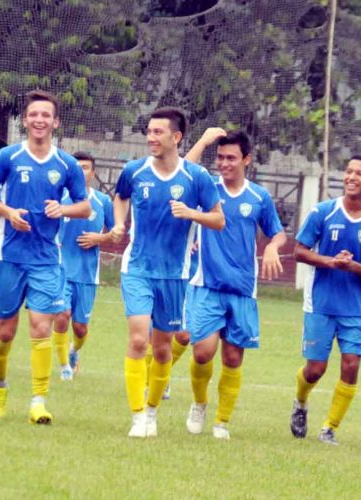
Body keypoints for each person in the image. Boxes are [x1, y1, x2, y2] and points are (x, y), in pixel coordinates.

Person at [0, 90, 90, 424]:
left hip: (46, 259)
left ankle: (38, 401)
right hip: (8, 255)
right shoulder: (7, 158)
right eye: (33, 114)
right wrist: (8, 211)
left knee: (40, 326)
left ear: (56, 122)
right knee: (6, 332)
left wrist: (62, 208)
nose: (39, 120)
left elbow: (84, 206)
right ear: (25, 120)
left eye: (46, 115)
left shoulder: (67, 164)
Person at [112, 107, 225, 438]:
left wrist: (192, 213)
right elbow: (120, 198)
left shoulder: (197, 178)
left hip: (175, 274)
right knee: (137, 338)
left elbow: (218, 219)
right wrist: (119, 222)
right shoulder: (135, 171)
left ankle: (151, 411)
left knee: (162, 348)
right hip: (137, 268)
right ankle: (136, 418)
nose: (150, 137)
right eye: (148, 131)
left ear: (176, 137)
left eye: (158, 132)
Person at [182, 129, 286, 439]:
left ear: (247, 160)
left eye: (231, 158)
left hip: (242, 288)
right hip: (207, 284)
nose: (224, 163)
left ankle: (221, 423)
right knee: (202, 352)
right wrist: (203, 141)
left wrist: (271, 247)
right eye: (221, 157)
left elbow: (277, 232)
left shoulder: (258, 197)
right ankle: (199, 403)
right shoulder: (206, 189)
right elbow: (183, 171)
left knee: (232, 357)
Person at [289, 155, 361, 446]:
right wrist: (330, 262)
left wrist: (354, 266)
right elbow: (299, 251)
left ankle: (329, 428)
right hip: (320, 303)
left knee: (351, 365)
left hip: (355, 308)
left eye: (359, 173)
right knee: (315, 369)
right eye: (348, 171)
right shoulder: (323, 212)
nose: (351, 177)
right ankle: (300, 402)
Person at [51, 151, 114, 380]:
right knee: (61, 315)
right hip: (60, 270)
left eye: (85, 167)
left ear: (93, 173)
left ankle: (74, 352)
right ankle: (64, 366)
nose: (81, 171)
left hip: (87, 274)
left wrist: (100, 238)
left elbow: (116, 233)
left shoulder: (103, 201)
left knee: (80, 328)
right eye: (76, 167)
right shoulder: (59, 199)